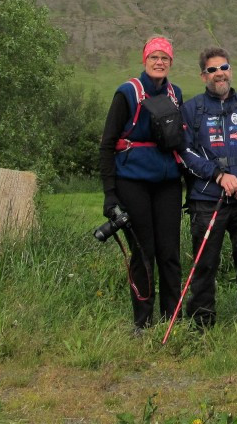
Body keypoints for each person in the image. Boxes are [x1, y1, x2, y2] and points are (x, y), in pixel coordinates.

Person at [99, 36, 184, 332]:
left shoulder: (175, 94)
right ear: (144, 60)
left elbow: (180, 141)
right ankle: (143, 321)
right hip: (132, 181)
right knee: (143, 251)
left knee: (169, 252)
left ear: (171, 62)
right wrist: (110, 194)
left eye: (165, 58)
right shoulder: (127, 93)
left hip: (168, 182)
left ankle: (173, 317)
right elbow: (107, 144)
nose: (159, 62)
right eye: (154, 57)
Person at [180, 47, 237, 328]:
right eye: (212, 69)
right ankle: (201, 321)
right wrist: (219, 176)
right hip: (207, 198)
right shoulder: (191, 109)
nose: (220, 73)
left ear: (231, 70)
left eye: (224, 67)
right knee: (205, 263)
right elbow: (186, 153)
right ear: (203, 75)